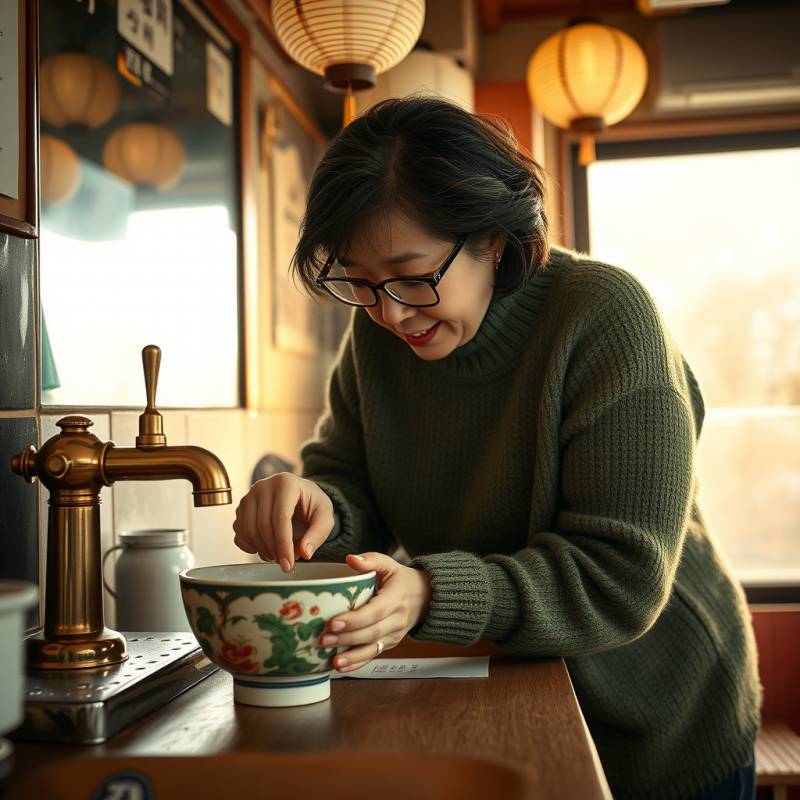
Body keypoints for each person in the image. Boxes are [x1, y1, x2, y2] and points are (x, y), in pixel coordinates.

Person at [232, 96, 761, 800]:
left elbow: (622, 576)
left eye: (413, 274)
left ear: (494, 239)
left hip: (658, 712)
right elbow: (353, 488)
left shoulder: (604, 318)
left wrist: (429, 592)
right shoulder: (379, 337)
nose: (390, 313)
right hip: (506, 692)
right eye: (358, 280)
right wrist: (316, 505)